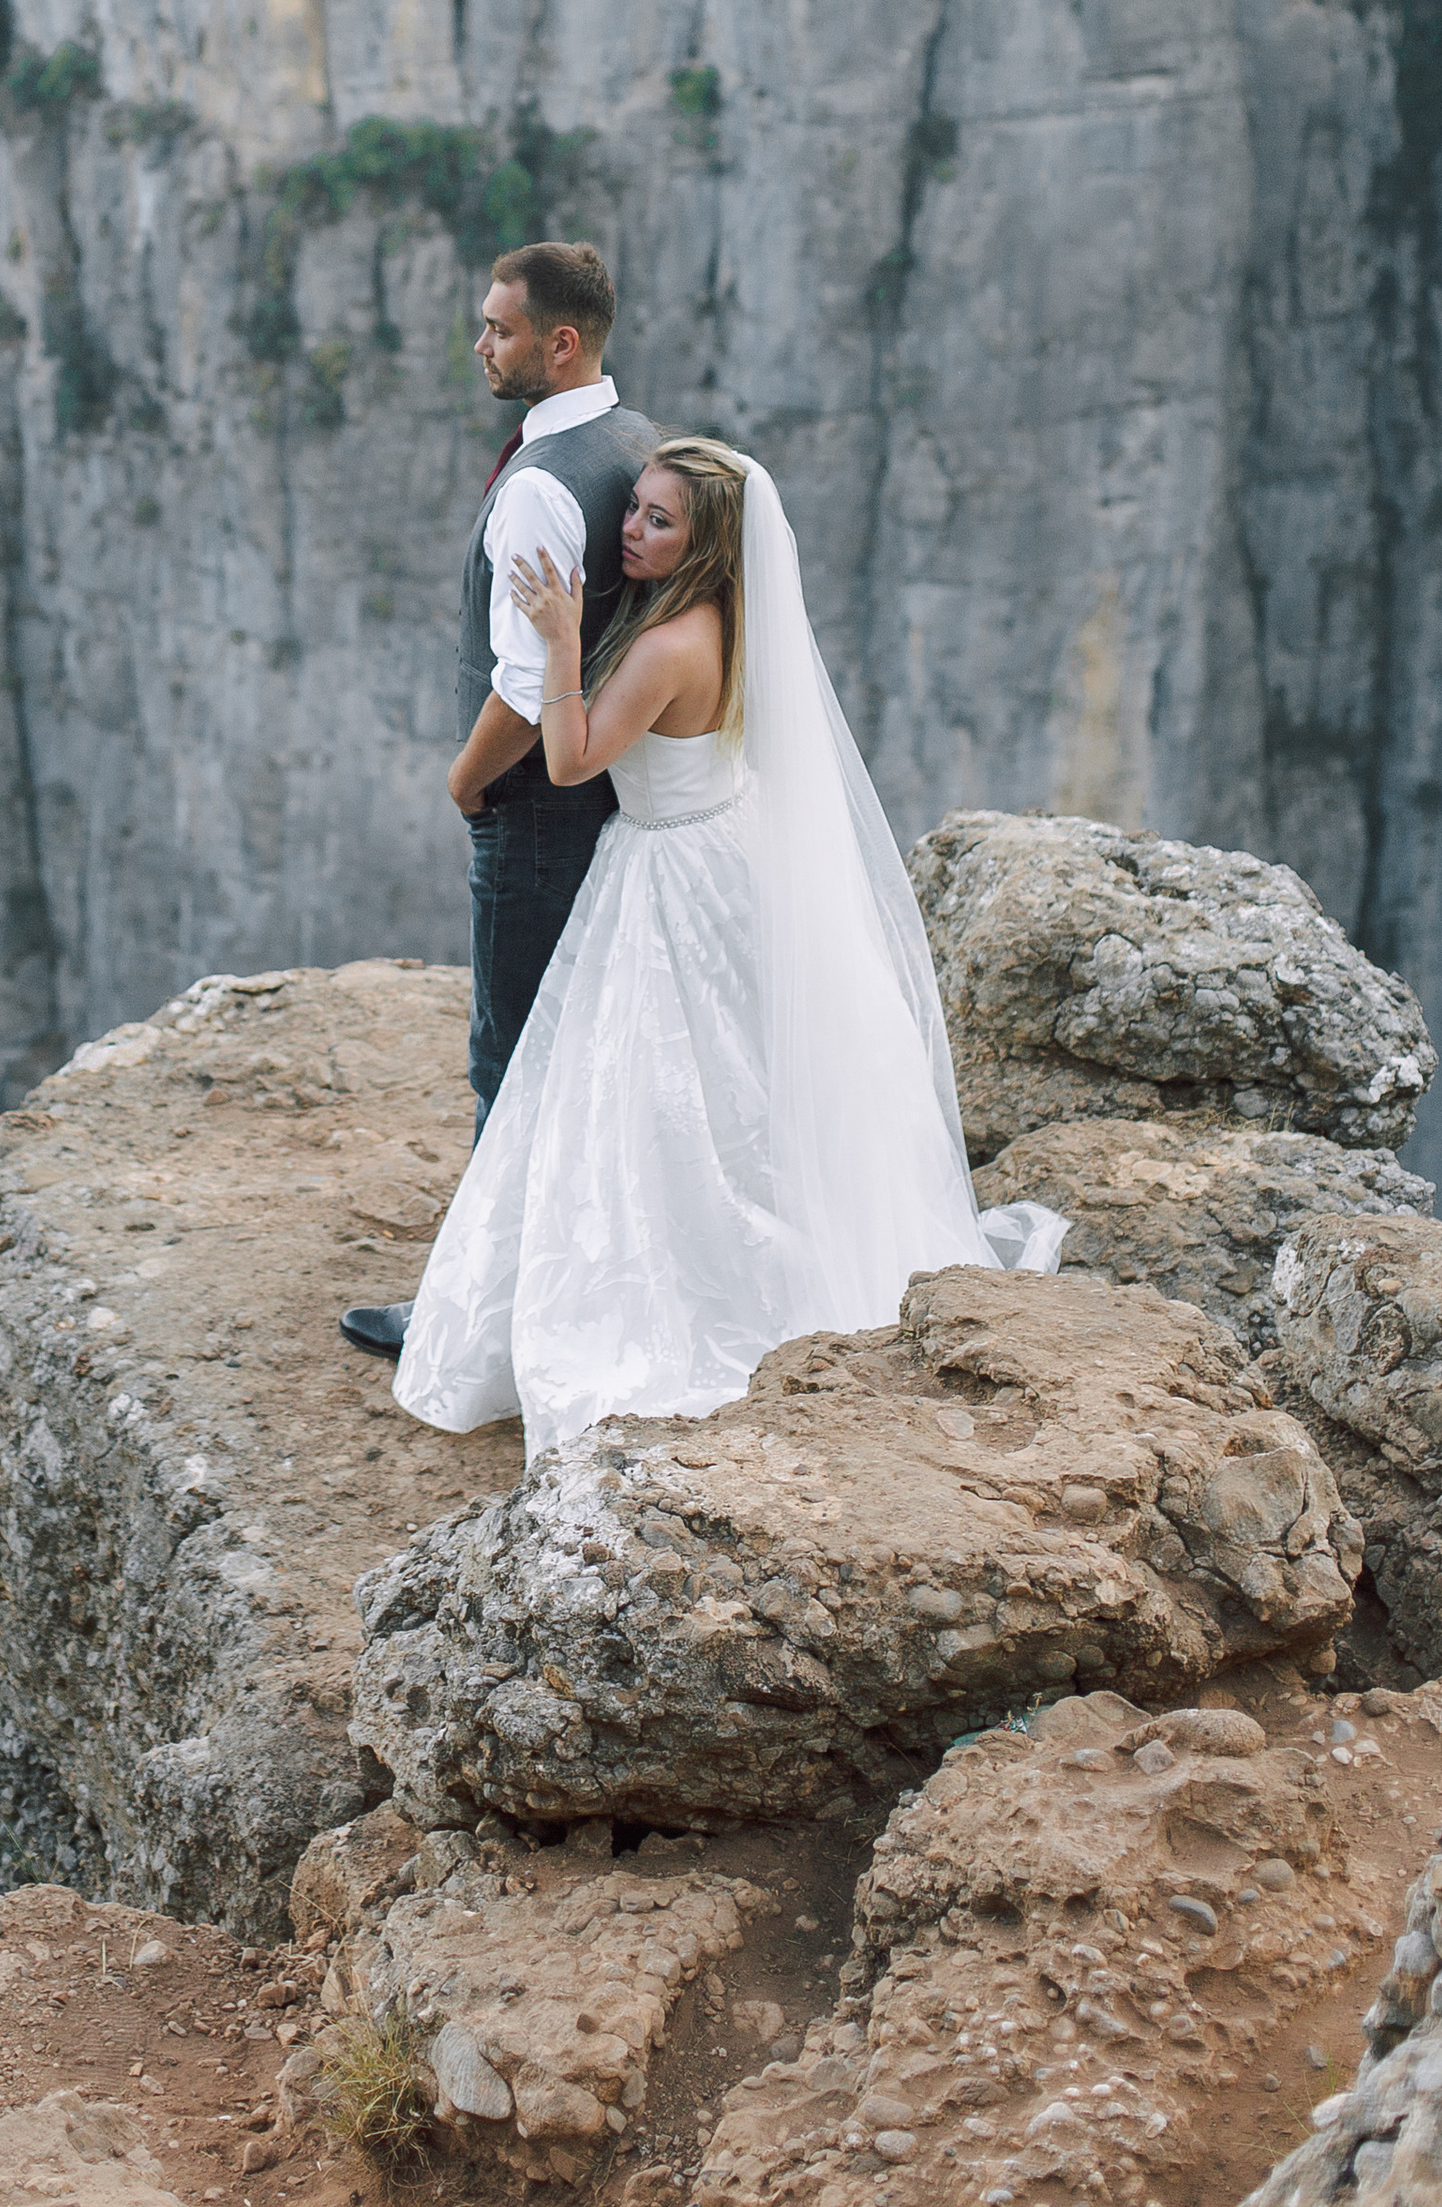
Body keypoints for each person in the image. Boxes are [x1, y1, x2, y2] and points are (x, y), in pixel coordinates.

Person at [392, 438, 1063, 1458]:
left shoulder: (667, 646)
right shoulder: (728, 619)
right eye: (636, 509)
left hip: (667, 871)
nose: (631, 527)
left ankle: (713, 1294)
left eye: (660, 521)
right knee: (732, 1085)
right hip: (720, 851)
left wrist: (559, 637)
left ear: (705, 546)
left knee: (662, 1098)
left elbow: (572, 763)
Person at [338, 240, 653, 1362]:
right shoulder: (639, 450)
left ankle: (470, 1327)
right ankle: (568, 1292)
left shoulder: (538, 491)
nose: (480, 344)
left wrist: (464, 781)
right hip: (619, 805)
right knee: (579, 1055)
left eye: (497, 329)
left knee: (507, 1061)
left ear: (557, 343)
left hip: (534, 813)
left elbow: (523, 690)